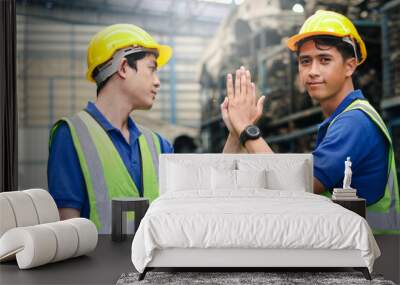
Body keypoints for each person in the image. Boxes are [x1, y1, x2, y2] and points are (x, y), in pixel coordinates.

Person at [221, 10, 399, 234]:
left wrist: (247, 129)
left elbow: (295, 187)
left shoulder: (355, 122)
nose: (312, 71)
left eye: (325, 60)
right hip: (354, 253)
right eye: (305, 61)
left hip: (373, 257)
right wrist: (236, 132)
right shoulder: (340, 120)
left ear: (350, 66)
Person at [47, 24, 174, 233]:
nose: (157, 82)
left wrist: (234, 136)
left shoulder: (158, 144)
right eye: (152, 69)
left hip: (153, 265)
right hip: (99, 266)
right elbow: (67, 232)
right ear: (123, 67)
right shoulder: (71, 136)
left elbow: (192, 202)